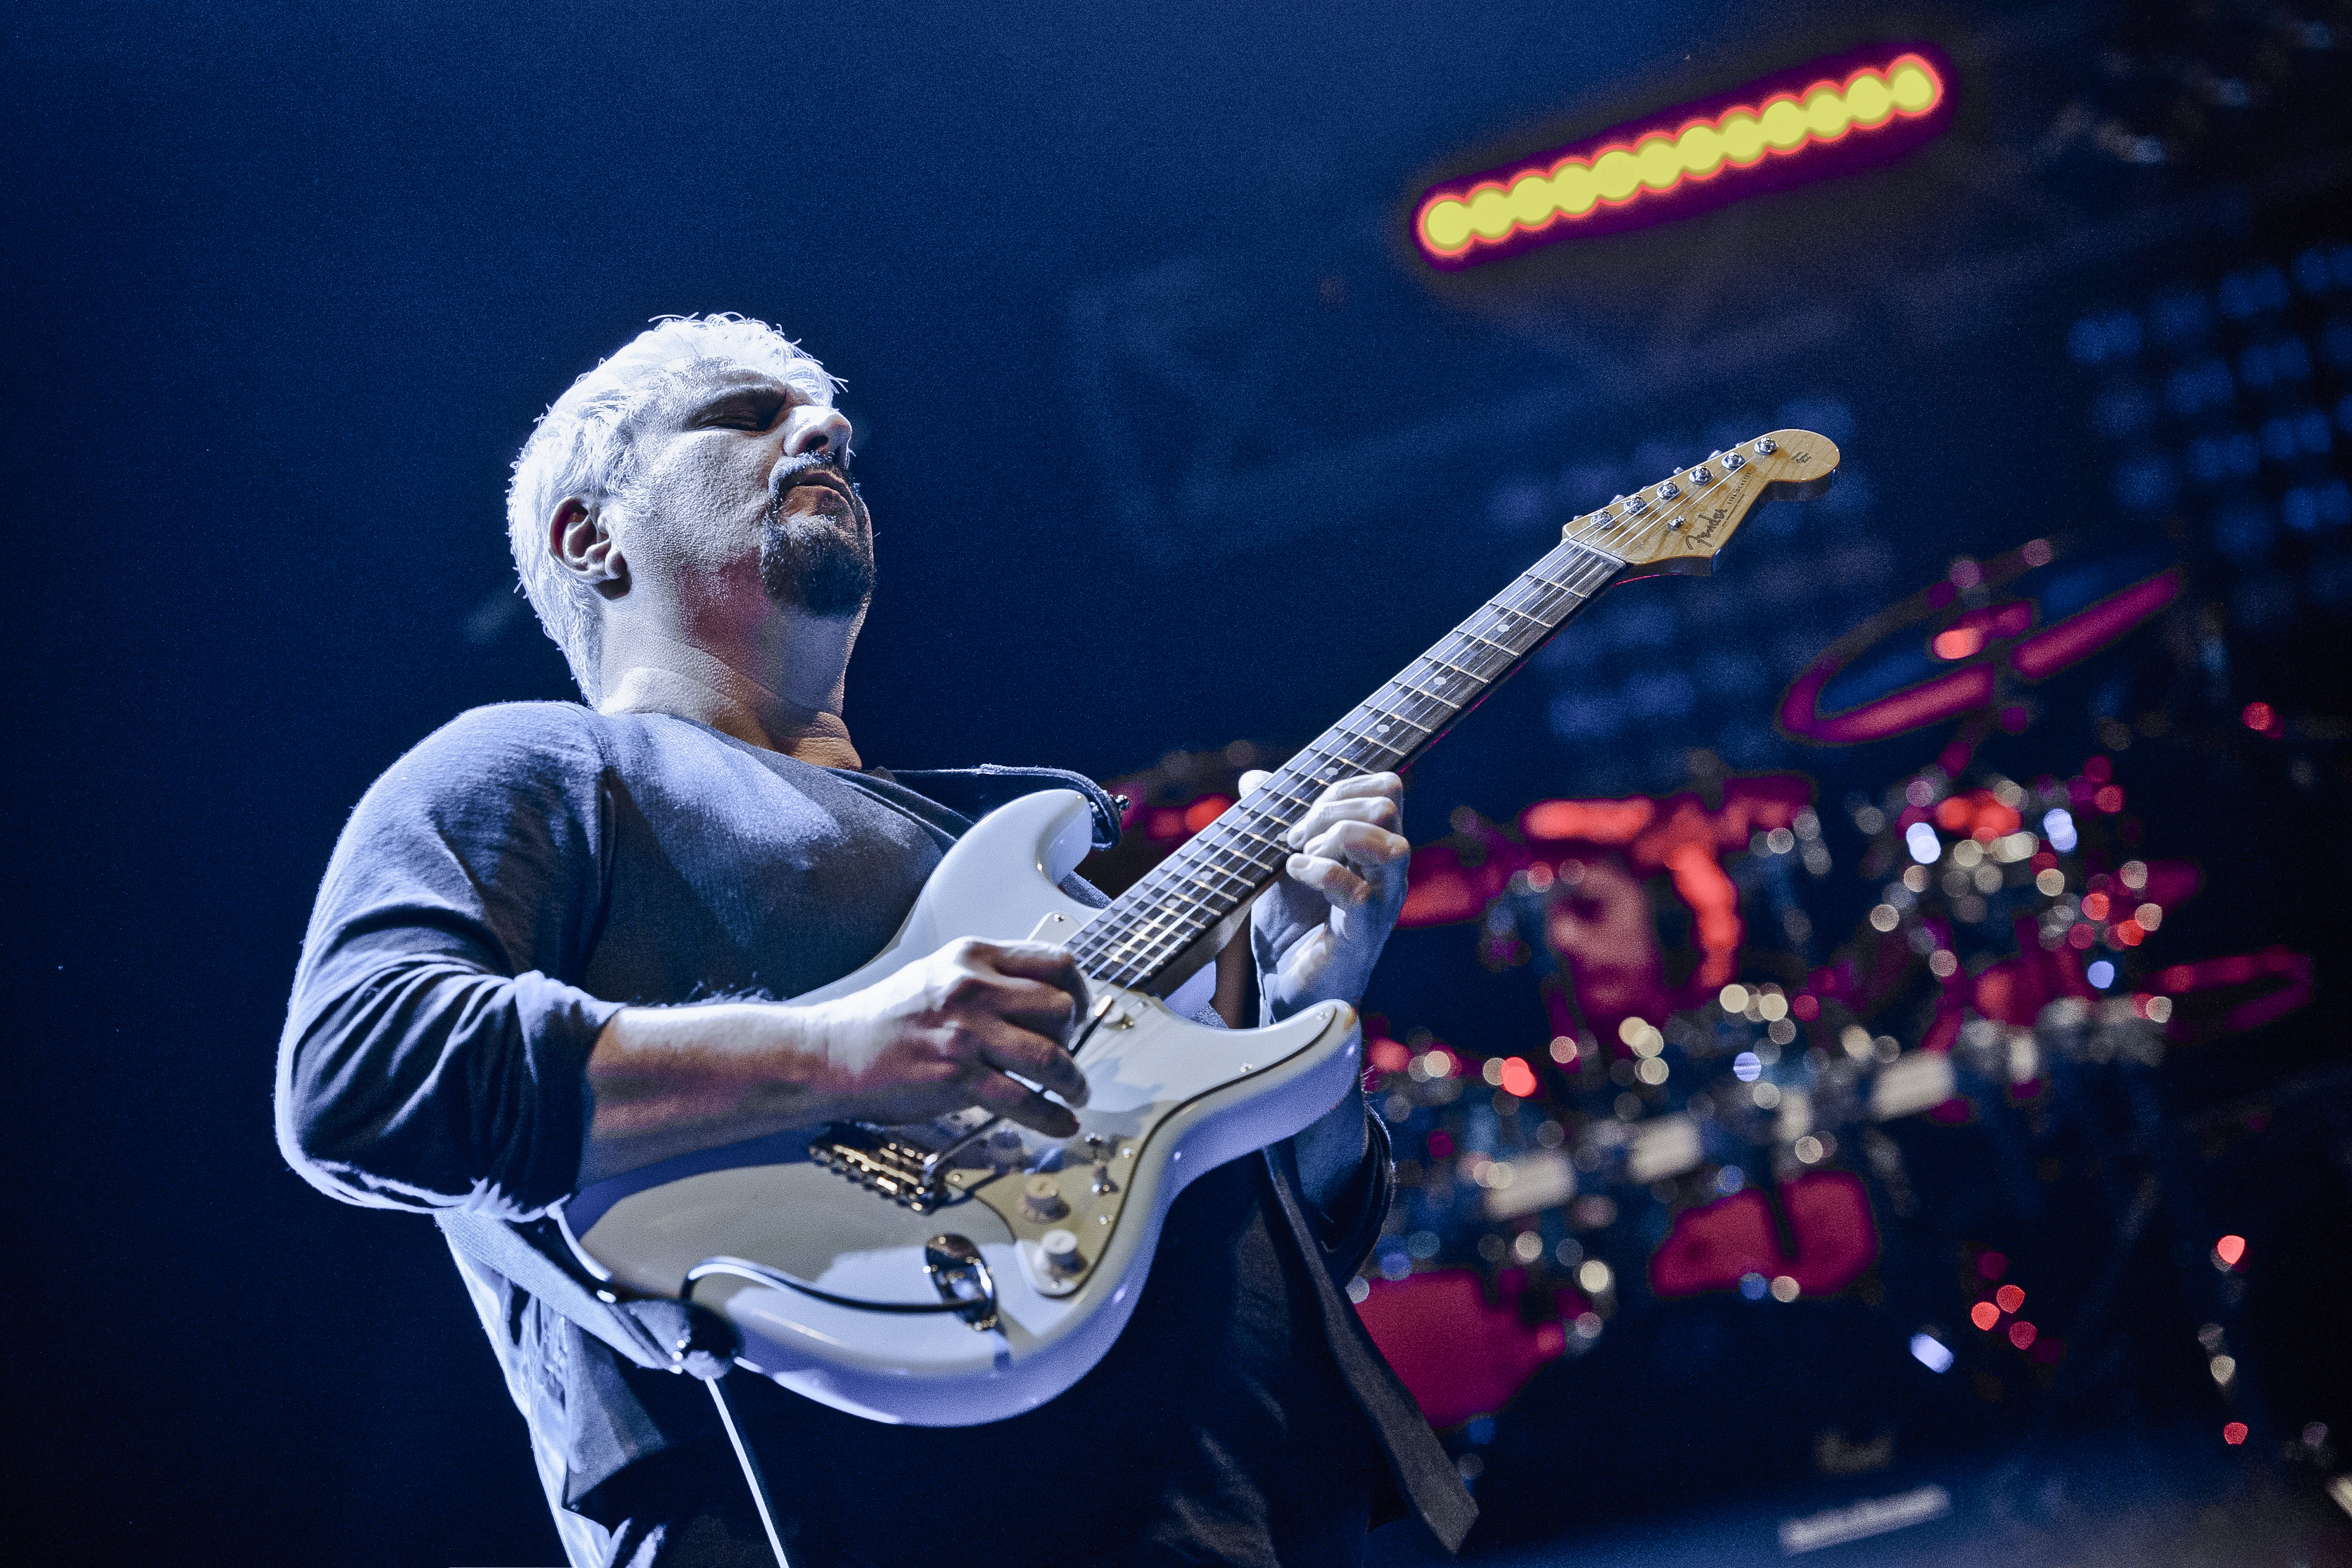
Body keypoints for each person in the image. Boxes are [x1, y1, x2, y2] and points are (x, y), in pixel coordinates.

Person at [276, 315, 1474, 1567]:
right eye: (746, 416)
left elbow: (1269, 1236)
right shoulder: (535, 766)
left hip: (1243, 1518)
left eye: (833, 429)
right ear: (591, 536)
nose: (826, 428)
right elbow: (362, 1071)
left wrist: (1302, 1020)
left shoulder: (1025, 856)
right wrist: (848, 1052)